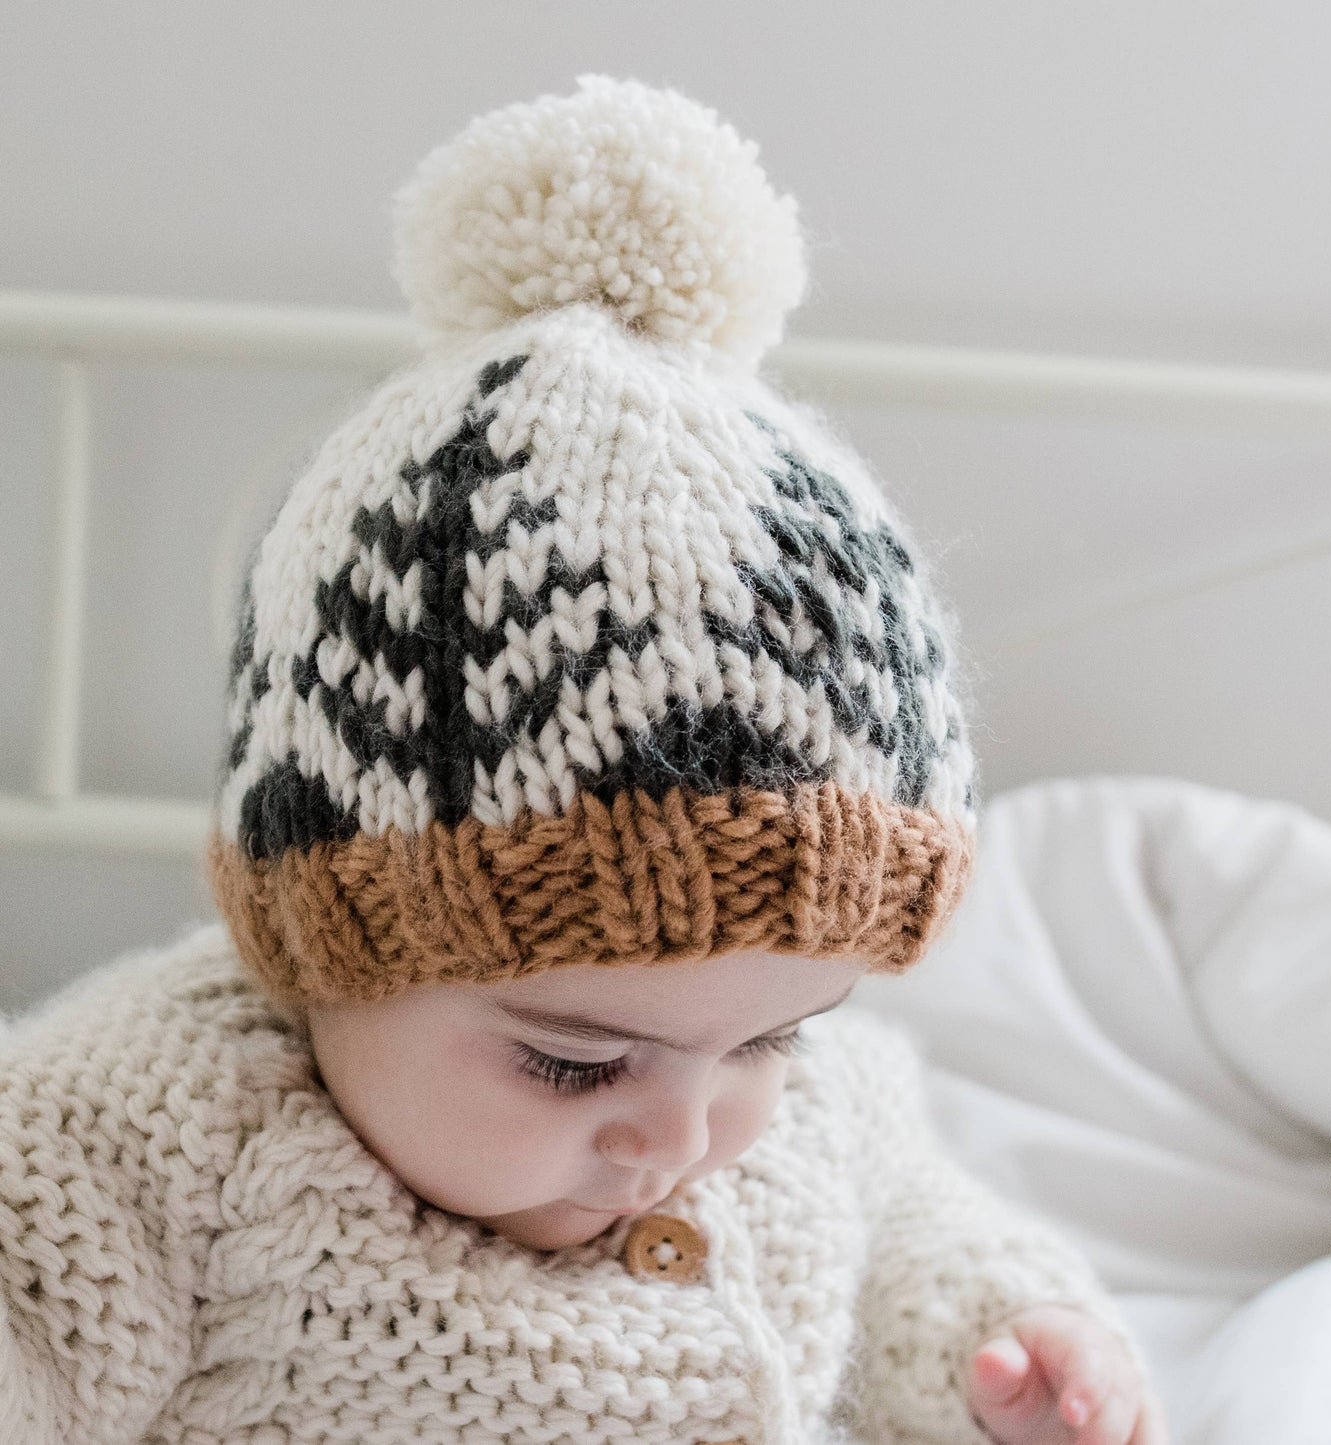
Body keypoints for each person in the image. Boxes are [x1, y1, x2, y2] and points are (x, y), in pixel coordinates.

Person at [0, 76, 1168, 1445]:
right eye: (571, 1062)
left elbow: (914, 1239)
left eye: (772, 1037)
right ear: (323, 948)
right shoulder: (133, 1129)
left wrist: (1014, 1344)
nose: (680, 1136)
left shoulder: (806, 1112)